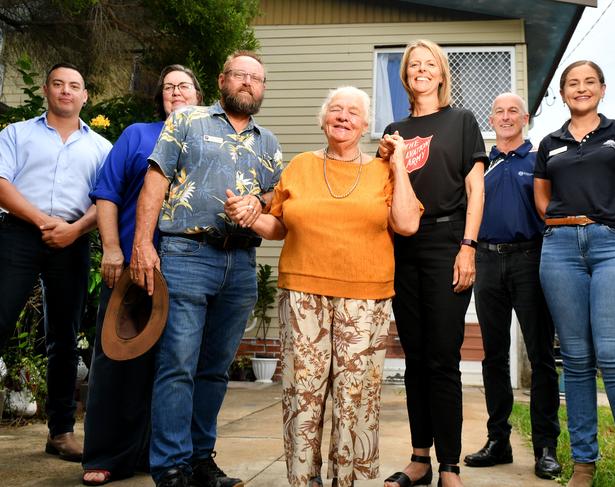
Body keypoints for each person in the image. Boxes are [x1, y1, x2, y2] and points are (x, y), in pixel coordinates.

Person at [224, 85, 421, 487]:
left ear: (365, 125)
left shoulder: (383, 171)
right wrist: (247, 216)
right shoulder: (299, 166)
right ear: (323, 119)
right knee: (303, 393)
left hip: (366, 297)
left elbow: (407, 224)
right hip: (302, 294)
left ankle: (343, 480)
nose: (343, 117)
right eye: (336, 110)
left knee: (353, 396)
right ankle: (304, 480)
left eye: (353, 112)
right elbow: (278, 225)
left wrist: (399, 163)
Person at [129, 50, 283, 487]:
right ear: (222, 80)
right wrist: (143, 244)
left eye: (257, 78)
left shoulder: (268, 142)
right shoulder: (186, 121)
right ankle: (171, 467)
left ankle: (200, 460)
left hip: (240, 263)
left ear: (263, 88)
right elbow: (154, 183)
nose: (248, 83)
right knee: (177, 363)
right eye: (240, 75)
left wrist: (258, 203)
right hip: (186, 255)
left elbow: (275, 201)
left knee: (215, 368)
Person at [81, 65, 203, 486]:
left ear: (199, 95)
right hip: (135, 266)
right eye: (168, 87)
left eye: (183, 86)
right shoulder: (137, 134)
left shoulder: (211, 138)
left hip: (191, 271)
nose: (175, 92)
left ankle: (160, 456)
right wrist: (112, 248)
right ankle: (104, 455)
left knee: (176, 366)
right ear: (160, 97)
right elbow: (108, 193)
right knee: (117, 357)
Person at [534, 60, 615, 487]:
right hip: (561, 250)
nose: (580, 89)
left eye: (589, 82)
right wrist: (564, 225)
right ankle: (584, 465)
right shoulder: (550, 143)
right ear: (562, 93)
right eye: (572, 83)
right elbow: (541, 197)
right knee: (577, 361)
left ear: (602, 88)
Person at [380, 39, 486, 487]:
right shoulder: (394, 129)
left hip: (448, 240)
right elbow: (384, 194)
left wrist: (468, 246)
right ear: (406, 76)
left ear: (442, 74)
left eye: (429, 65)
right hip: (403, 246)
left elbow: (476, 190)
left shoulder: (461, 121)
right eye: (413, 66)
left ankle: (450, 466)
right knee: (415, 358)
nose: (421, 71)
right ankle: (419, 460)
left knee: (442, 358)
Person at [0, 63, 111, 461]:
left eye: (75, 86)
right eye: (59, 84)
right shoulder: (16, 134)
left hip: (72, 241)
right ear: (46, 89)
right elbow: (1, 183)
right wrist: (42, 220)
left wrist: (75, 230)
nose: (66, 91)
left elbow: (107, 202)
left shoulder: (101, 148)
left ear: (84, 96)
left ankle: (60, 432)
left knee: (63, 339)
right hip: (17, 235)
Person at [462, 93, 561, 479]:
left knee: (540, 356)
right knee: (494, 356)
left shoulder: (540, 160)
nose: (505, 117)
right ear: (492, 118)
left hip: (530, 258)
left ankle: (546, 447)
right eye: (499, 111)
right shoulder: (481, 164)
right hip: (487, 260)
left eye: (513, 112)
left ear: (526, 118)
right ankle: (498, 441)